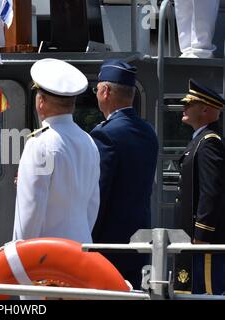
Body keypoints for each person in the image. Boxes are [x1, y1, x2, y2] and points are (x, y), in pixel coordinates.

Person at [13, 58, 100, 244]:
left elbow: (30, 212)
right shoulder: (89, 141)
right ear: (73, 104)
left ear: (41, 101)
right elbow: (93, 205)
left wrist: (20, 256)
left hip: (47, 258)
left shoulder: (39, 144)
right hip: (81, 249)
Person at [90, 60, 158, 289]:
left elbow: (99, 193)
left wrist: (88, 237)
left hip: (109, 244)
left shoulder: (105, 135)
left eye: (97, 88)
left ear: (106, 91)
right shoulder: (149, 132)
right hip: (140, 237)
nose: (96, 93)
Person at [174, 79, 225, 295]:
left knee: (206, 292)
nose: (184, 107)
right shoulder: (199, 140)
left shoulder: (209, 142)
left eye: (190, 104)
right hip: (191, 235)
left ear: (204, 109)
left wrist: (202, 235)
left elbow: (211, 192)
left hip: (203, 241)